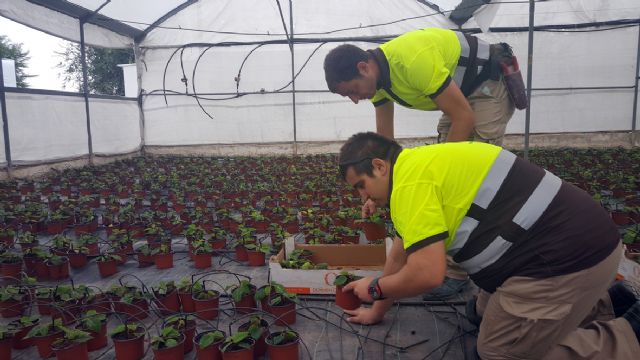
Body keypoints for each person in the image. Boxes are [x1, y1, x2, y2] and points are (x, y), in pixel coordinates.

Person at [337, 132, 640, 359]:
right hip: (582, 242)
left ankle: (628, 336)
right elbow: (401, 254)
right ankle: (611, 304)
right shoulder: (419, 165)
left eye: (361, 186)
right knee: (479, 312)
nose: (365, 197)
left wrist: (375, 288)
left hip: (564, 261)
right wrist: (377, 311)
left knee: (498, 350)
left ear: (379, 166)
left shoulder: (409, 187)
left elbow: (427, 274)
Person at [324, 27, 520, 299]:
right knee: (442, 179)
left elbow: (463, 117)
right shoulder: (378, 84)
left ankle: (456, 272)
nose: (356, 100)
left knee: (467, 181)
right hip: (461, 93)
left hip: (487, 85)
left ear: (363, 68)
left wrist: (440, 175)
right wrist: (375, 192)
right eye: (349, 96)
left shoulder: (413, 60)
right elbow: (383, 147)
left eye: (353, 90)